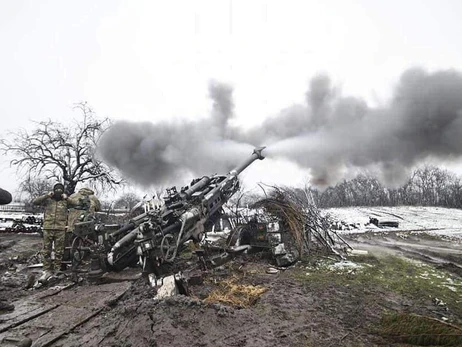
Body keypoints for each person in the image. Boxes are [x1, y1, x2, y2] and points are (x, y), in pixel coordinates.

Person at [33, 183, 75, 282]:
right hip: (48, 228)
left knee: (59, 251)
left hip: (60, 229)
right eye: (57, 190)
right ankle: (47, 269)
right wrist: (47, 195)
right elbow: (35, 202)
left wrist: (67, 198)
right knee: (46, 250)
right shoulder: (48, 200)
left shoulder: (65, 201)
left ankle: (57, 269)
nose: (58, 192)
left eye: (60, 190)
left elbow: (76, 204)